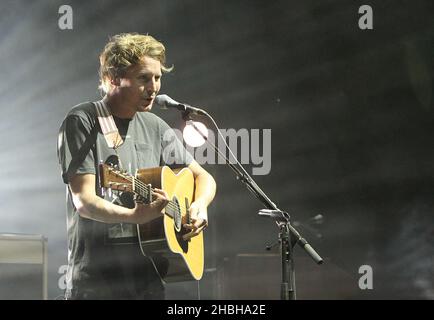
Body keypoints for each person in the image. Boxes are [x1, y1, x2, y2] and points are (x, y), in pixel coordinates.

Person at [57, 33, 216, 300]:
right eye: (143, 78)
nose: (154, 87)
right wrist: (134, 217)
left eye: (157, 78)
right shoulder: (83, 120)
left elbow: (204, 177)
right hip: (98, 282)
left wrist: (198, 207)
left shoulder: (155, 125)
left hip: (149, 278)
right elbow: (84, 200)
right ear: (112, 78)